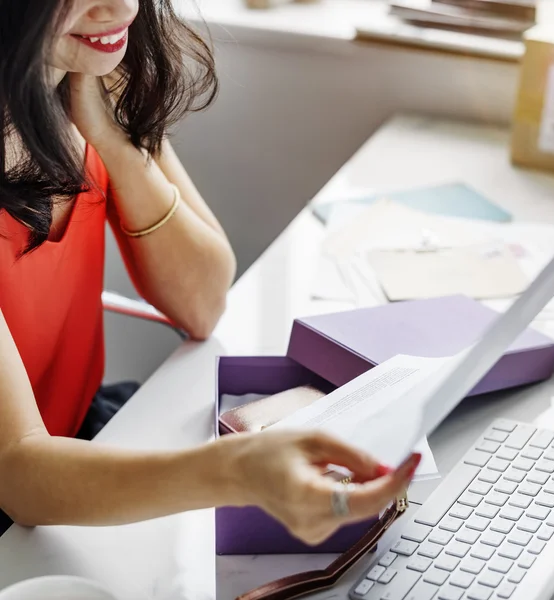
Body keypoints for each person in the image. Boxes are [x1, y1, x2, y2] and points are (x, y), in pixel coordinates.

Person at [0, 0, 419, 546]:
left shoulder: (85, 83)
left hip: (87, 440)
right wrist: (235, 470)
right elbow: (17, 474)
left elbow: (203, 300)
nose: (123, 6)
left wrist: (117, 146)